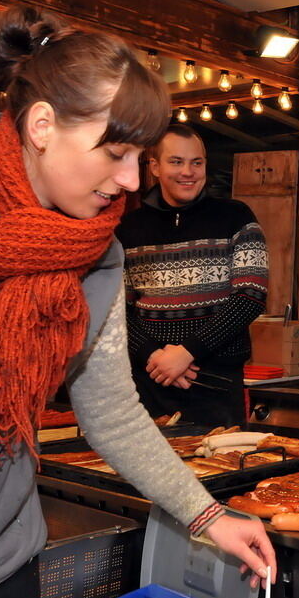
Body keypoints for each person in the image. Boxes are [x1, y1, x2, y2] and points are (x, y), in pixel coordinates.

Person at [0, 7, 274, 598]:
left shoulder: (98, 258)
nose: (132, 180)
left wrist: (208, 515)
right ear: (44, 125)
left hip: (3, 566)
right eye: (116, 153)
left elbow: (110, 411)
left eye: (140, 157)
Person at [116, 125, 268, 426]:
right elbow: (116, 308)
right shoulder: (127, 228)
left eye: (196, 162)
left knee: (221, 470)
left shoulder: (236, 217)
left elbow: (251, 296)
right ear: (155, 166)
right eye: (176, 162)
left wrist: (187, 352)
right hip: (148, 381)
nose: (188, 171)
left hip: (217, 383)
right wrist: (153, 356)